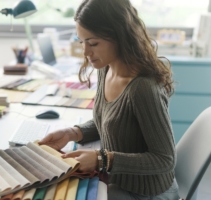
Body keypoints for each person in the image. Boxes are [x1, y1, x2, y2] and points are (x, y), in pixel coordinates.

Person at [39, 0, 180, 199]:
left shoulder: (143, 88)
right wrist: (73, 133)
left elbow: (165, 159)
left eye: (93, 43)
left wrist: (102, 160)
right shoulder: (107, 69)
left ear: (120, 36)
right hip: (117, 181)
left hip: (146, 193)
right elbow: (113, 123)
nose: (86, 53)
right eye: (82, 42)